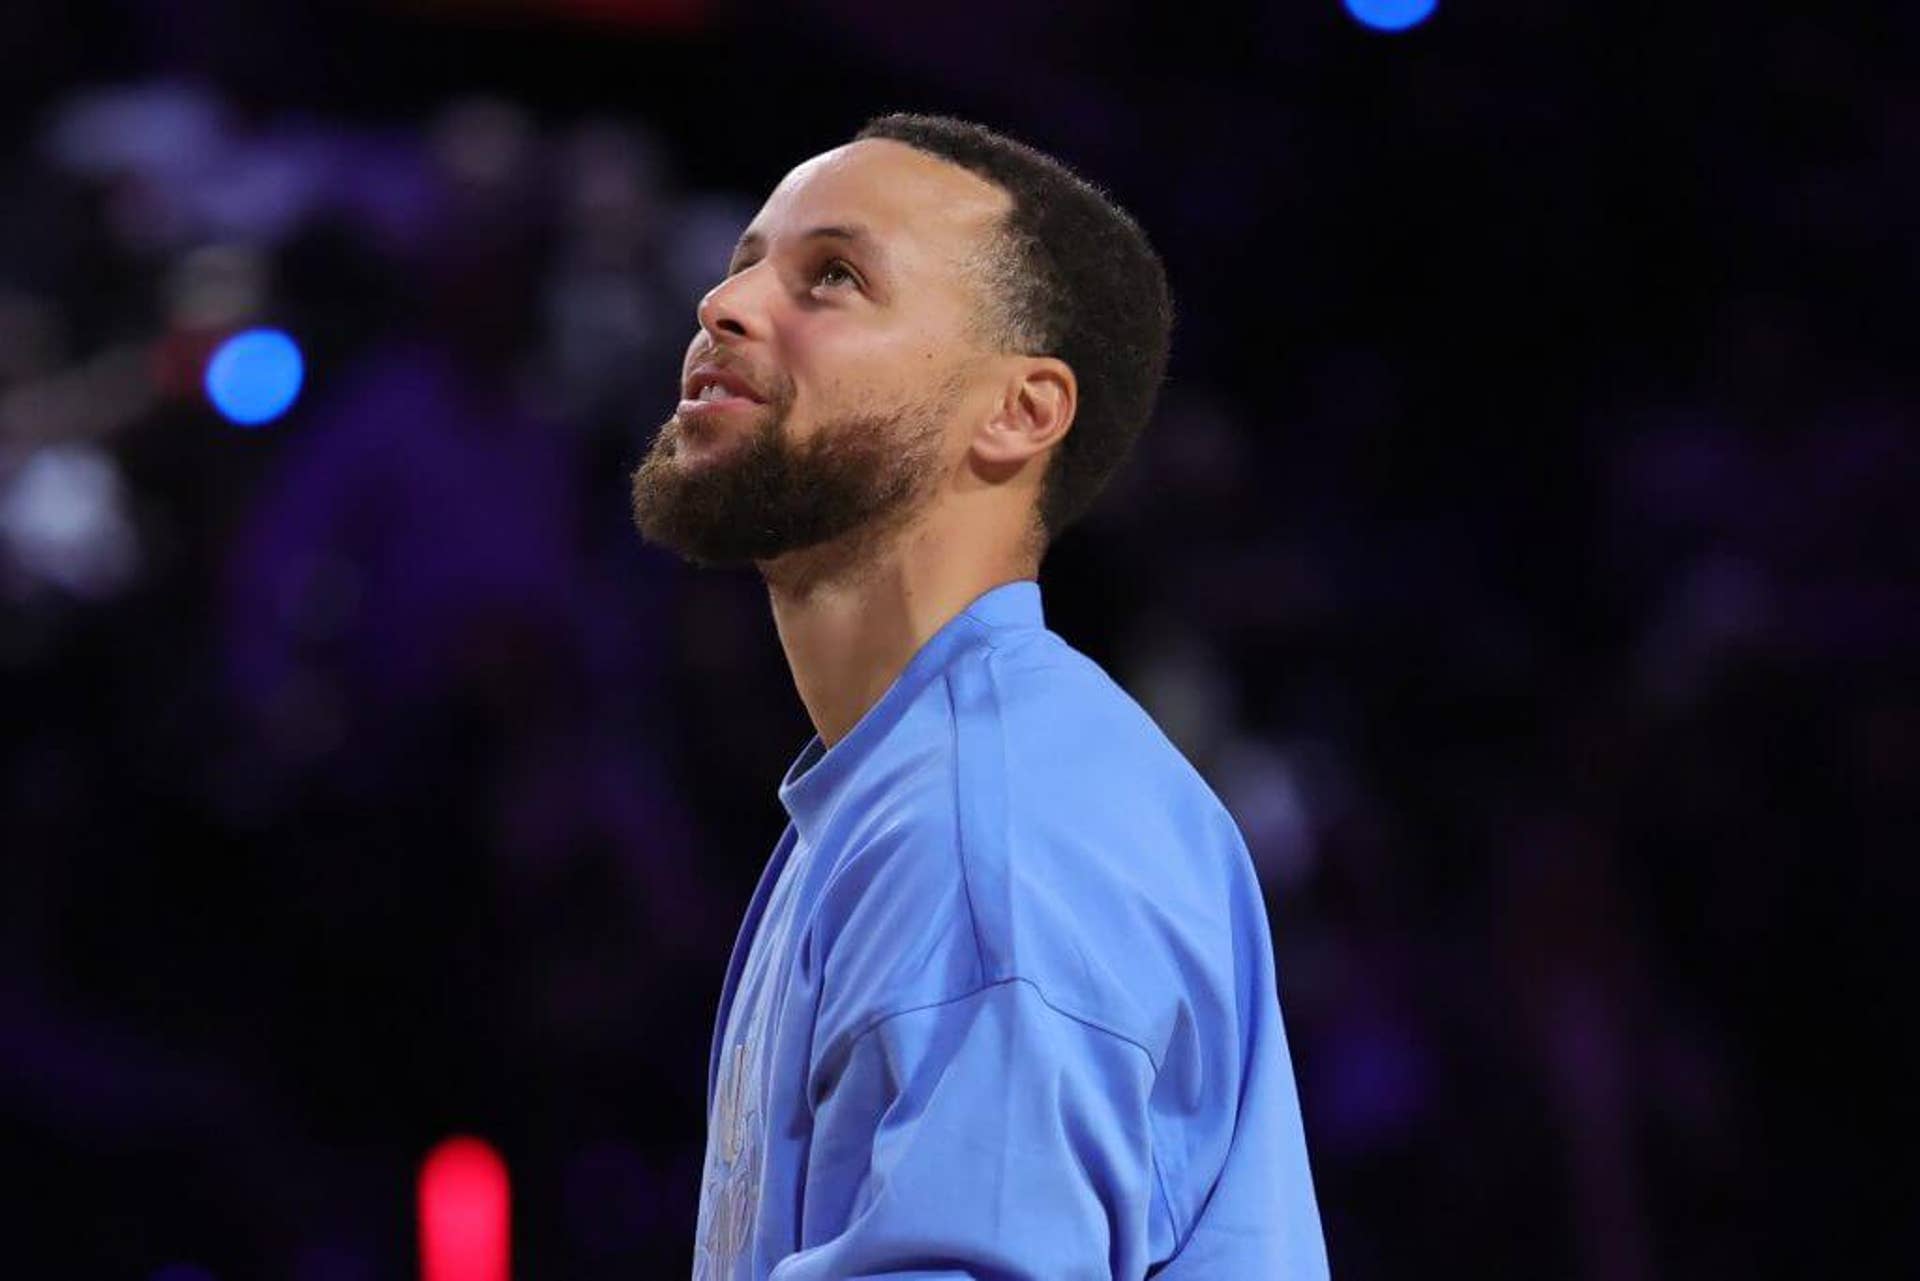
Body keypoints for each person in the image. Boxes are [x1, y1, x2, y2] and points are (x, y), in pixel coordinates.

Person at [631, 112, 1328, 1280]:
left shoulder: (988, 821)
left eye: (834, 276)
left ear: (1016, 413)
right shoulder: (907, 788)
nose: (727, 303)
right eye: (746, 258)